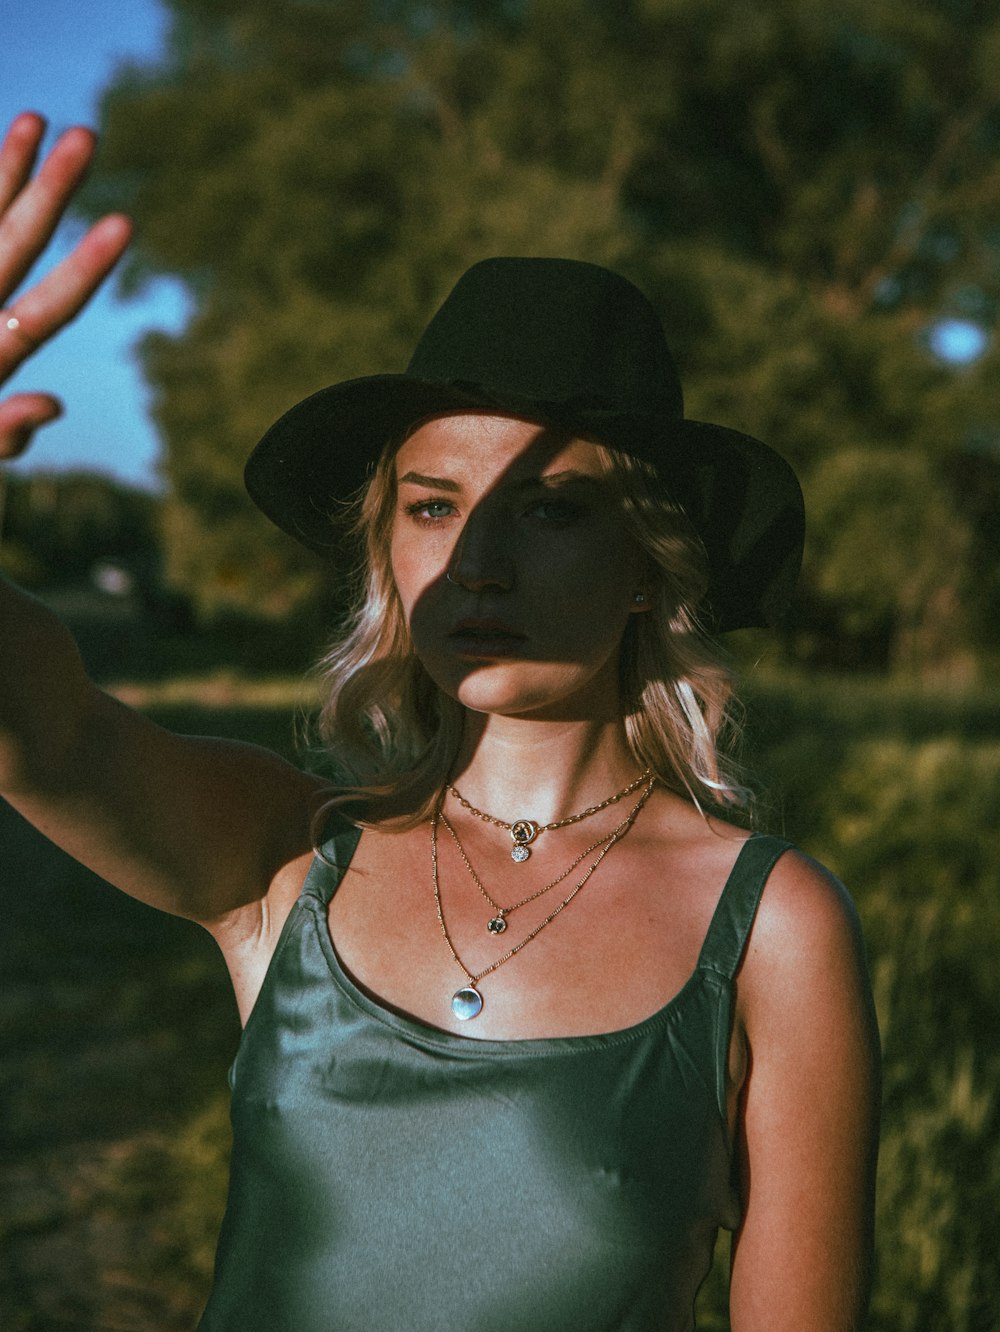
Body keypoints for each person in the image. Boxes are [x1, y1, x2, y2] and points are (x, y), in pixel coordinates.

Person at [0, 113, 880, 1331]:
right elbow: (43, 731)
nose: (476, 561)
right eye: (434, 506)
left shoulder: (772, 926)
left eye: (550, 509)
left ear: (646, 566)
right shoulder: (284, 858)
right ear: (390, 550)